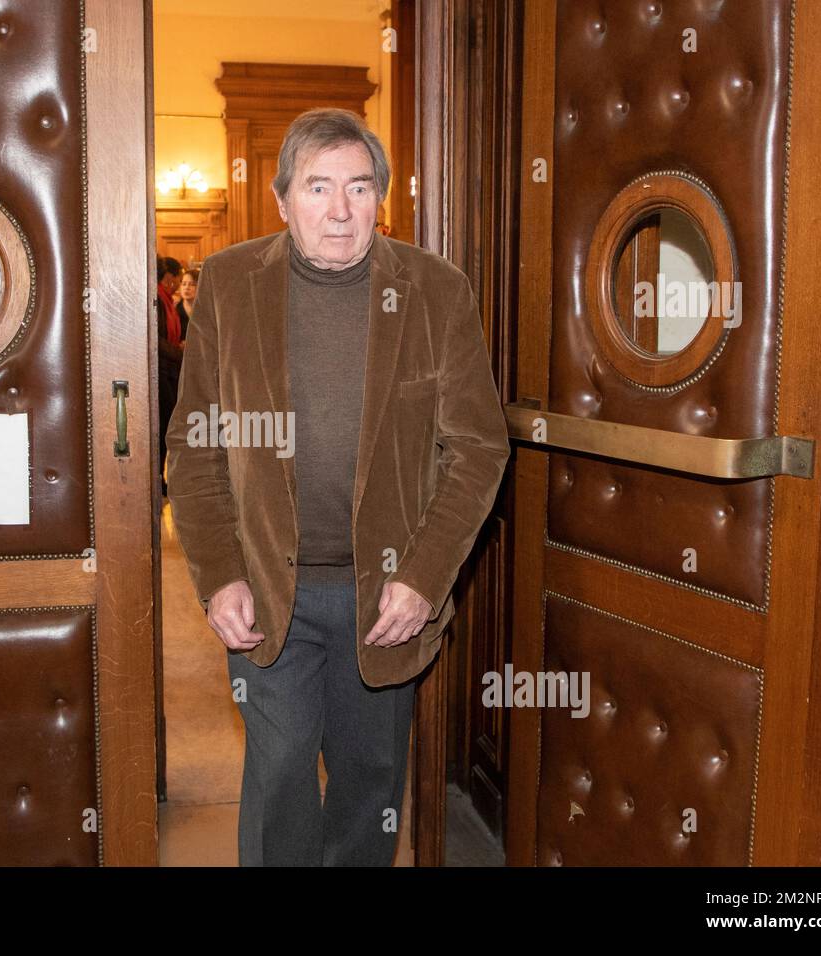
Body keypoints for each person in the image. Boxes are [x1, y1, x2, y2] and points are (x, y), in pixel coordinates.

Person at [166, 107, 509, 866]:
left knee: (369, 785)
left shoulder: (435, 291)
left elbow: (480, 449)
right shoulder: (228, 284)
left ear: (380, 198)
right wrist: (219, 576)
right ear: (284, 198)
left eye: (358, 187)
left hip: (384, 600)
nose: (339, 210)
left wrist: (423, 578)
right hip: (266, 593)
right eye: (318, 187)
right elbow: (196, 449)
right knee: (280, 778)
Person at [155, 256, 184, 494]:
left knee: (167, 426)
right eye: (178, 278)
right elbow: (157, 340)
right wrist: (180, 352)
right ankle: (157, 479)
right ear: (169, 277)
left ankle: (161, 479)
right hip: (162, 371)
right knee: (163, 426)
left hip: (170, 371)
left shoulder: (167, 300)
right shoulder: (157, 299)